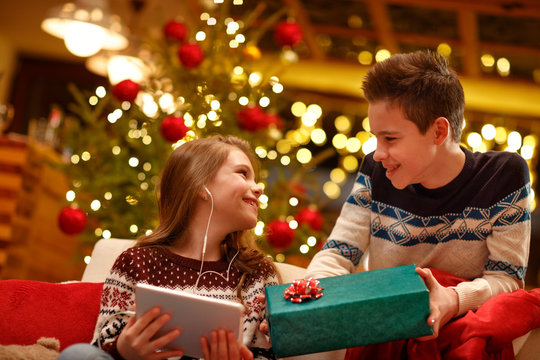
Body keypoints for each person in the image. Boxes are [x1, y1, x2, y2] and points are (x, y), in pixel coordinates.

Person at [305, 51, 531, 347]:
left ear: (438, 131)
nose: (377, 153)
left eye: (390, 139)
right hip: (385, 334)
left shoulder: (504, 176)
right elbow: (337, 255)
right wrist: (301, 306)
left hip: (457, 339)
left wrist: (453, 299)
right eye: (376, 138)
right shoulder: (375, 171)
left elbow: (508, 281)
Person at [59, 135, 279, 360]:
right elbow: (100, 345)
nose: (258, 188)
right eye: (243, 173)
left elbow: (271, 354)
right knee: (78, 355)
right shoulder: (137, 262)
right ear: (200, 184)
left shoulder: (258, 273)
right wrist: (124, 350)